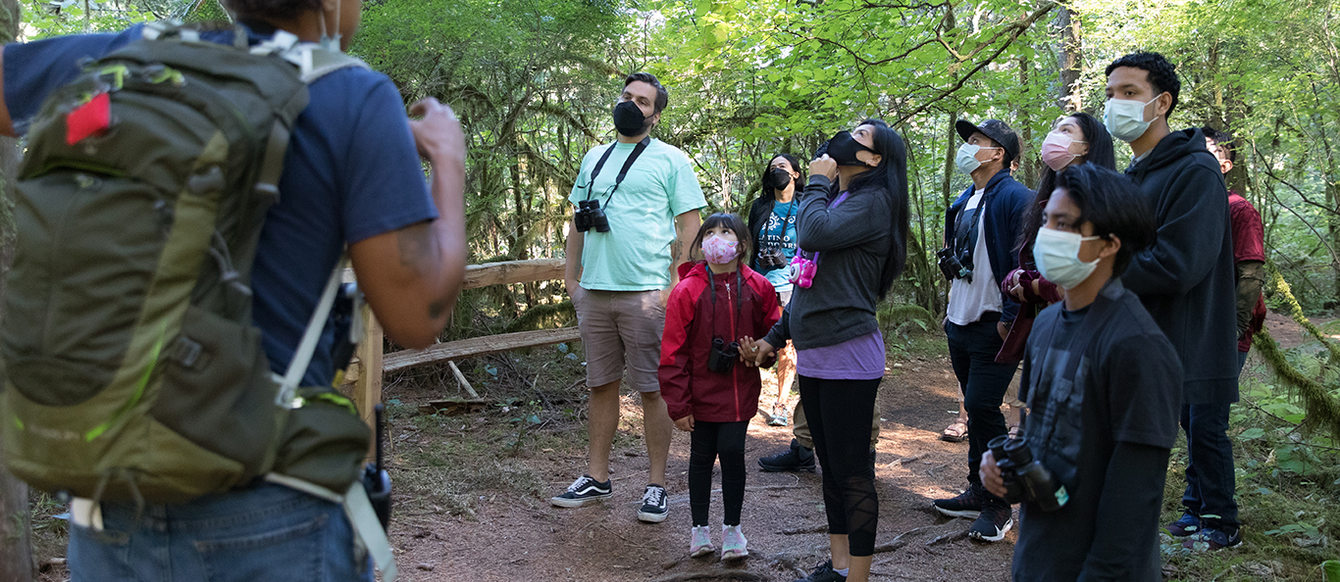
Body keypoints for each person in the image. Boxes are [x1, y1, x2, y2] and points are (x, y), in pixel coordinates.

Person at [0, 0, 470, 578]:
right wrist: (447, 159)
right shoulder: (351, 95)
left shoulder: (117, 56)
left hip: (109, 501)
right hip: (268, 507)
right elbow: (417, 315)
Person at [982, 163, 1182, 581]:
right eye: (1046, 220)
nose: (1046, 234)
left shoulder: (1139, 346)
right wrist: (1003, 470)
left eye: (1064, 224)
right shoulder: (1048, 325)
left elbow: (1135, 496)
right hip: (1039, 556)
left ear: (1108, 244)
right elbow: (1036, 438)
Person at [749, 119, 909, 582]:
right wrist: (775, 338)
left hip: (849, 353)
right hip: (817, 352)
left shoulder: (874, 201)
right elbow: (806, 282)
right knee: (831, 469)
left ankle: (856, 576)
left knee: (853, 472)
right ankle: (838, 566)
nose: (845, 138)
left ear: (875, 160)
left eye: (860, 138)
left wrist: (815, 181)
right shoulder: (841, 198)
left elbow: (812, 234)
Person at [550, 72, 706, 524]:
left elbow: (689, 226)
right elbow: (577, 220)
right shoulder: (594, 158)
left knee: (653, 389)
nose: (631, 104)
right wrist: (571, 279)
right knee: (601, 384)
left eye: (642, 101)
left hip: (646, 294)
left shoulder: (671, 161)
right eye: (627, 96)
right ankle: (597, 478)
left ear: (655, 115)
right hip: (595, 291)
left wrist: (674, 288)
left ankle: (656, 485)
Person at [1104, 52, 1241, 550]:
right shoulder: (1132, 176)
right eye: (1111, 93)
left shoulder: (1196, 172)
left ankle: (1220, 522)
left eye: (1129, 93)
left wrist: (1096, 266)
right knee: (1149, 444)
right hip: (1137, 338)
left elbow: (1180, 264)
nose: (1115, 103)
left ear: (1161, 102)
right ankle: (1182, 517)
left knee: (1200, 431)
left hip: (1185, 339)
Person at [931, 118, 1032, 542]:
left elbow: (1025, 260)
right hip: (961, 320)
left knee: (983, 406)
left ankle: (998, 503)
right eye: (968, 141)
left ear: (1000, 153)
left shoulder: (1016, 197)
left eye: (978, 141)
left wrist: (1011, 315)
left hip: (995, 322)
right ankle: (978, 488)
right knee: (977, 409)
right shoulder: (964, 200)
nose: (969, 147)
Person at [660, 213, 780, 562]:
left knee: (731, 452)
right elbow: (673, 351)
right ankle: (699, 530)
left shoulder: (760, 287)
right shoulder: (688, 290)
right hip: (699, 394)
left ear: (741, 244)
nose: (717, 238)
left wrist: (760, 354)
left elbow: (772, 334)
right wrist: (678, 405)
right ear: (699, 245)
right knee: (700, 457)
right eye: (709, 232)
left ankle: (733, 530)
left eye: (725, 232)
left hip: (740, 393)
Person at [997, 112, 1116, 365]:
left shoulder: (1104, 203)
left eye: (1066, 131)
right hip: (1048, 330)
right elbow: (1028, 262)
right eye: (1055, 129)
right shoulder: (1044, 201)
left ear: (1087, 147)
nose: (1054, 137)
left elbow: (1094, 275)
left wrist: (1036, 287)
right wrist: (1016, 279)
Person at [1203, 127, 1267, 373]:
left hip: (1223, 332)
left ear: (1225, 166)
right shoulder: (1192, 209)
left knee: (1208, 410)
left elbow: (1251, 274)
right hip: (1192, 330)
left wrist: (1234, 329)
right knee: (1184, 410)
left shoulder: (1239, 209)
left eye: (1205, 151)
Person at [747, 154, 805, 426]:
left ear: (795, 173)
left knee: (787, 347)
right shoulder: (760, 206)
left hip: (790, 286)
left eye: (782, 167)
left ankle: (781, 403)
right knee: (751, 340)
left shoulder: (806, 205)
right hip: (758, 285)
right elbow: (750, 243)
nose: (777, 172)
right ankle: (745, 398)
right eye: (773, 168)